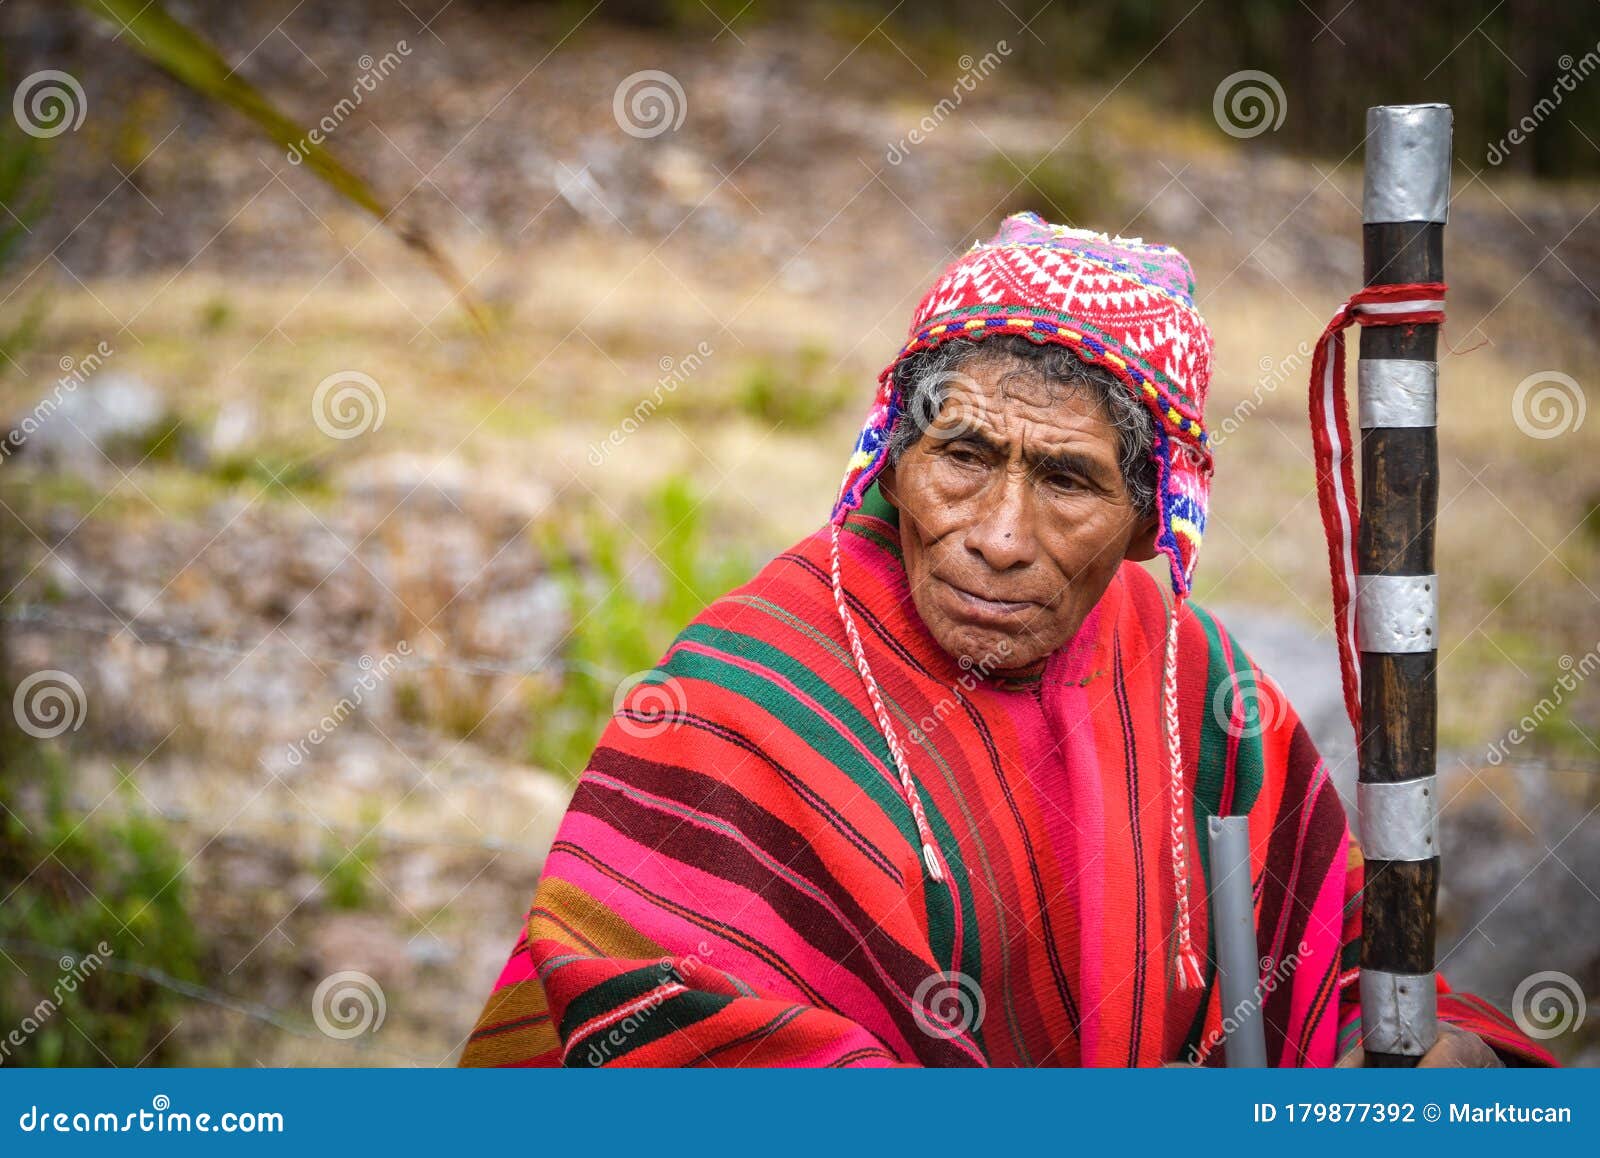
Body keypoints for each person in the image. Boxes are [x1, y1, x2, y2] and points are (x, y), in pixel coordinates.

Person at [460, 212, 1551, 1067]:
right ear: (893, 457)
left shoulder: (1194, 682)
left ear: (1145, 519)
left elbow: (1340, 972)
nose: (996, 537)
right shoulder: (745, 691)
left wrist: (1421, 1062)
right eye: (965, 456)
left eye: (1068, 480)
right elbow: (645, 1004)